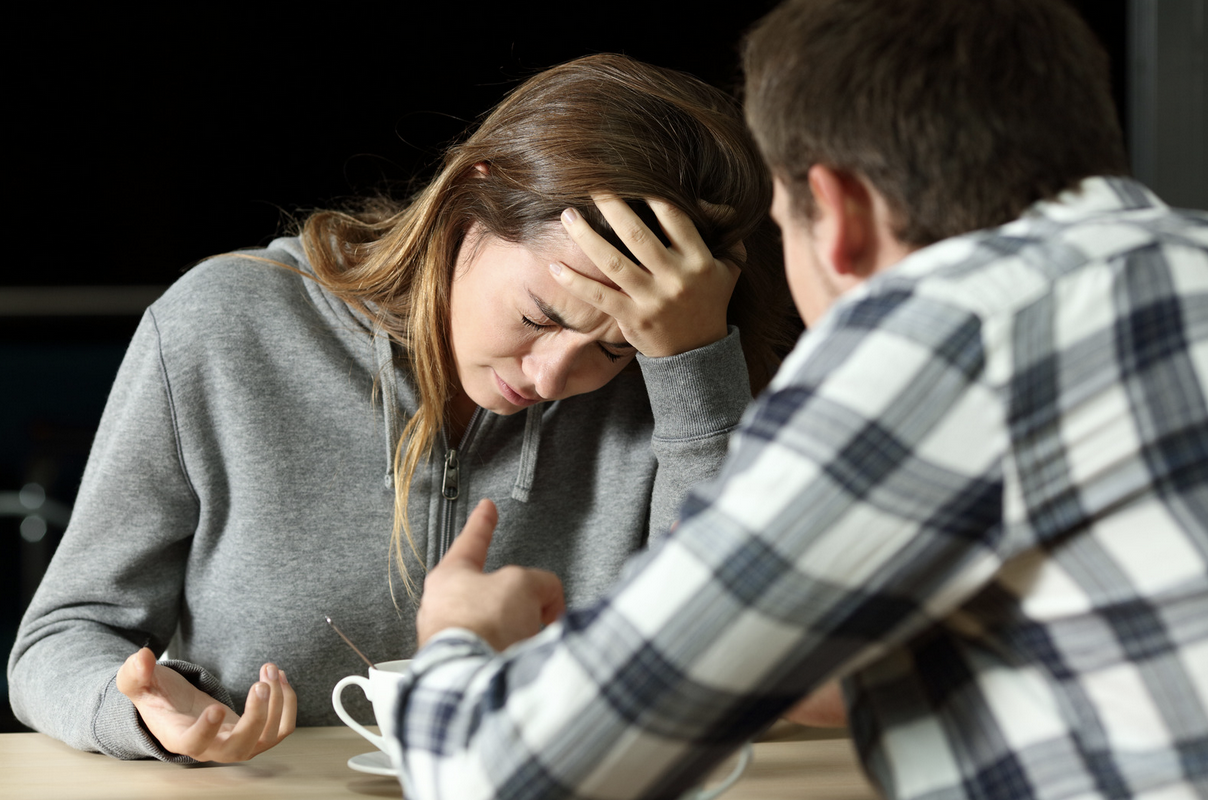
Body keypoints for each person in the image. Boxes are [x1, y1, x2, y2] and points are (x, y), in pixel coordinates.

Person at [388, 1, 1208, 798]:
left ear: (840, 211)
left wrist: (459, 637)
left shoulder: (936, 339)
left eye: (785, 221)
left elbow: (496, 773)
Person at [7, 54, 797, 763]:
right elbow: (56, 640)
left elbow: (731, 675)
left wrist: (692, 367)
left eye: (617, 345)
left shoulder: (681, 381)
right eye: (538, 317)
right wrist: (139, 713)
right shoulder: (222, 327)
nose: (555, 375)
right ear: (471, 199)